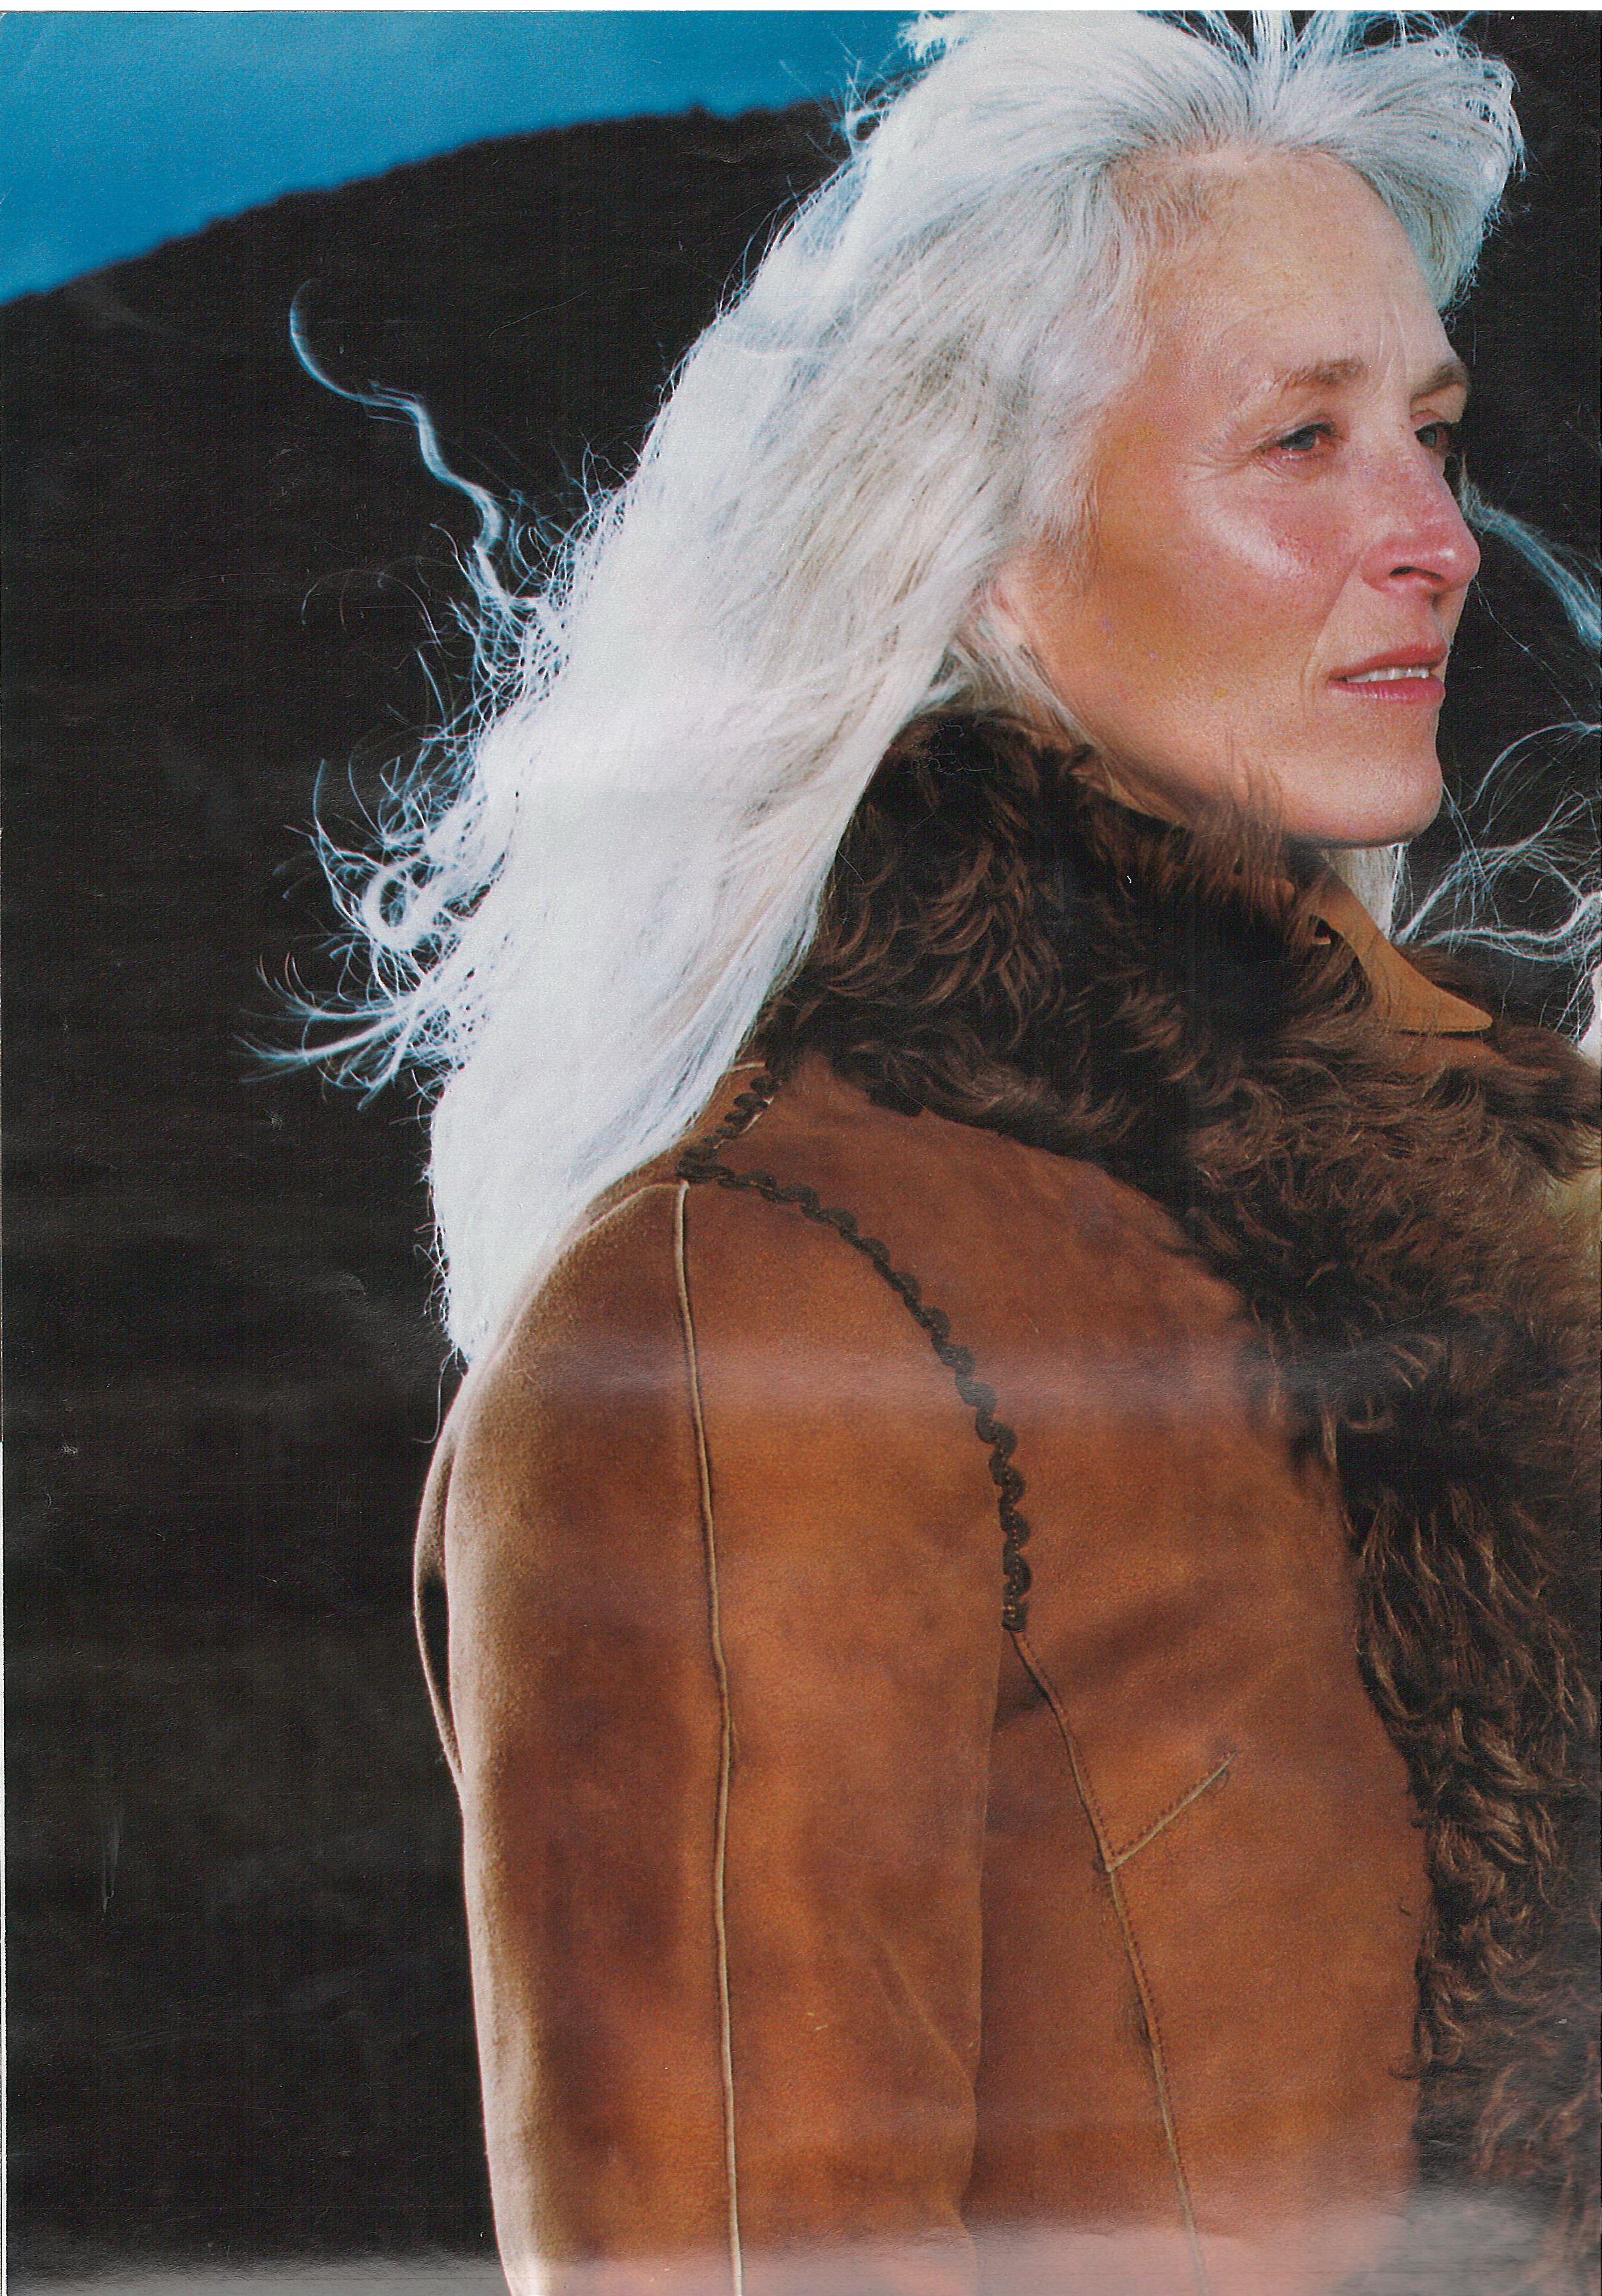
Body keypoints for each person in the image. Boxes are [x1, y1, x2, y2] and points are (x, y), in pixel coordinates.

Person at [318, 16, 1598, 2294]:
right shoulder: (741, 1322)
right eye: (1299, 440)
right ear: (987, 542)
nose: (1431, 540)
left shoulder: (1523, 1208)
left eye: (1430, 433)